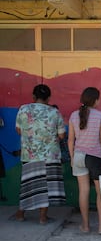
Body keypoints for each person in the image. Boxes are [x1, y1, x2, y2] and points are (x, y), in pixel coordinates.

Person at [68, 87, 101, 234]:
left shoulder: (73, 115)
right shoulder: (100, 116)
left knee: (83, 191)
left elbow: (70, 140)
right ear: (95, 100)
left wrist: (72, 158)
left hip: (78, 156)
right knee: (100, 192)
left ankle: (85, 226)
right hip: (94, 158)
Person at [14, 84, 66, 224]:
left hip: (30, 154)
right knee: (47, 186)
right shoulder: (55, 112)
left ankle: (20, 214)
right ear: (49, 98)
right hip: (50, 155)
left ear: (33, 96)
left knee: (28, 185)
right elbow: (61, 135)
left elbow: (19, 130)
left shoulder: (23, 109)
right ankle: (43, 217)